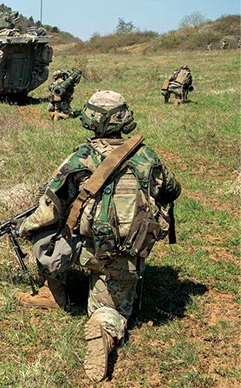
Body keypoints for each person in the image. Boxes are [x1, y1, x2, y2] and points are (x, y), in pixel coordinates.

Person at [15, 90, 181, 382]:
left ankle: (54, 293)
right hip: (127, 257)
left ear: (90, 120)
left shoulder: (83, 156)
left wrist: (24, 227)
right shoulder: (147, 156)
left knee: (44, 231)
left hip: (86, 250)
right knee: (107, 311)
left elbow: (50, 206)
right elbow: (172, 190)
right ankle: (104, 334)